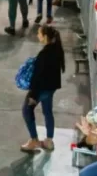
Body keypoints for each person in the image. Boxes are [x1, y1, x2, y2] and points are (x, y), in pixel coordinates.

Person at [20, 25, 65, 153]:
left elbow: (38, 77)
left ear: (45, 36)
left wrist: (33, 96)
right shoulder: (56, 49)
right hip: (51, 88)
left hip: (41, 89)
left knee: (27, 111)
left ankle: (33, 140)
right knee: (47, 112)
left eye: (39, 33)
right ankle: (49, 140)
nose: (37, 35)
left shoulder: (44, 54)